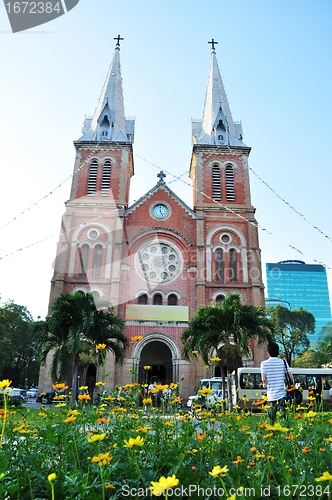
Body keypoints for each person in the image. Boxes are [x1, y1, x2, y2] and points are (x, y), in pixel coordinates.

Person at [261, 342, 294, 424]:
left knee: (271, 420)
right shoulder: (283, 362)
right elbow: (291, 377)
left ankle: (273, 435)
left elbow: (263, 380)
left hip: (271, 395)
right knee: (285, 419)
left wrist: (269, 384)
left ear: (268, 352)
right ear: (278, 352)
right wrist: (282, 380)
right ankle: (288, 435)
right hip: (282, 394)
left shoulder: (264, 364)